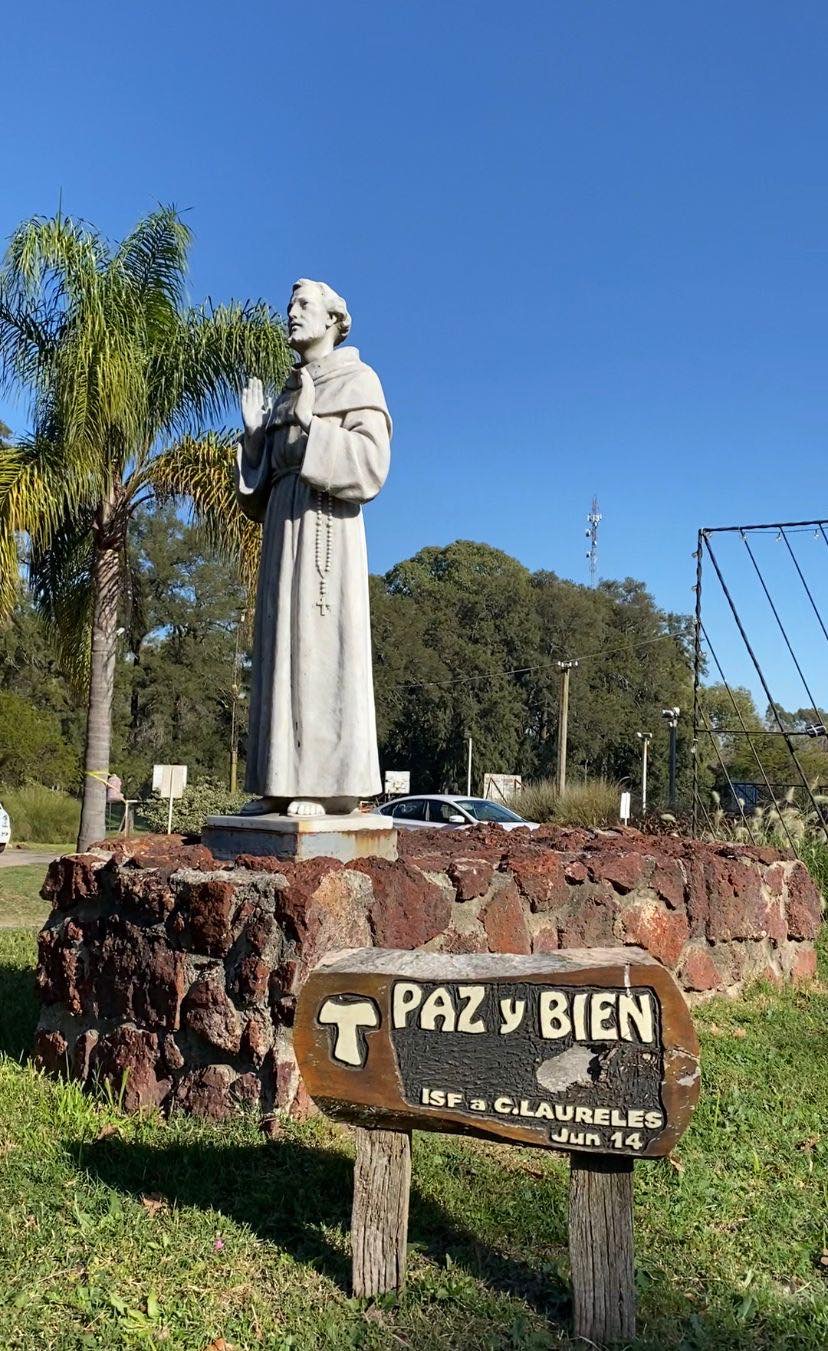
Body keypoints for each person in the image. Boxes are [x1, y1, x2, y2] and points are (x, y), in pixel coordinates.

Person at [236, 279, 391, 817]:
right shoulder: (288, 390)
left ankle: (325, 783)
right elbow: (258, 493)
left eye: (303, 305)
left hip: (327, 529)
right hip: (284, 527)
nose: (292, 313)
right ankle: (278, 781)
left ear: (332, 320)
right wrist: (255, 437)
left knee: (321, 649)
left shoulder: (358, 379)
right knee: (280, 647)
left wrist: (312, 426)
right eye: (290, 306)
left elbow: (372, 466)